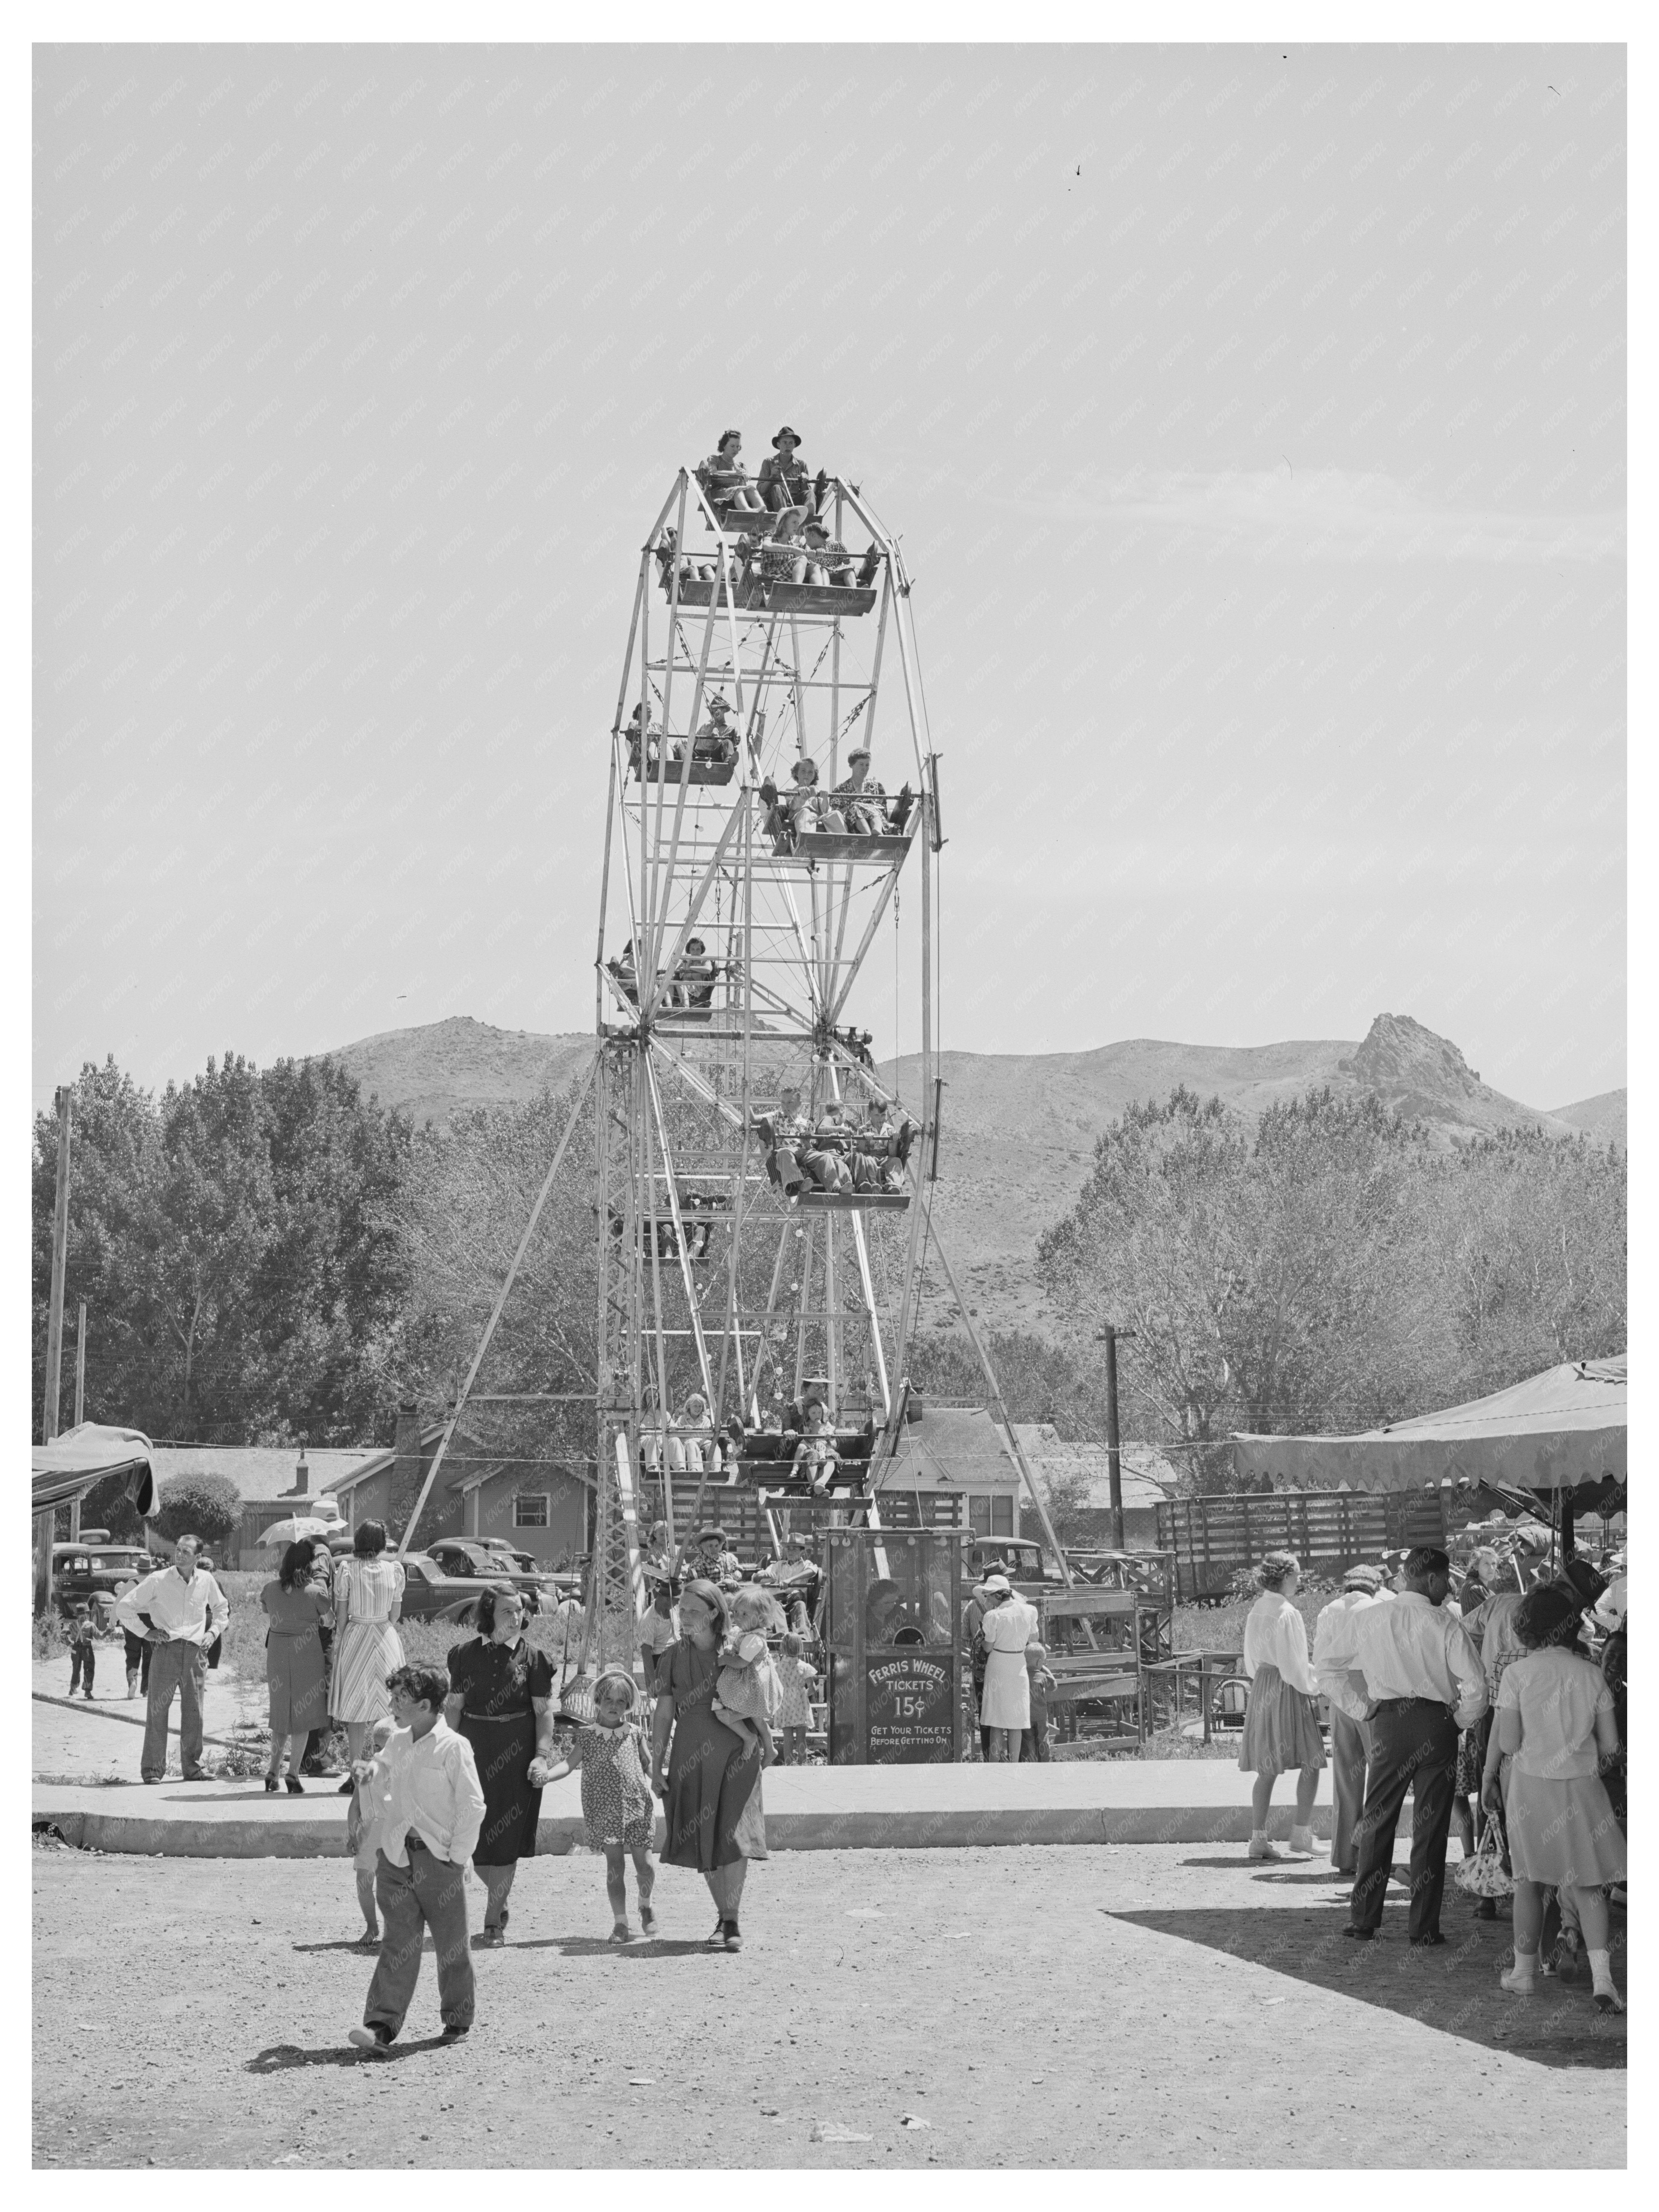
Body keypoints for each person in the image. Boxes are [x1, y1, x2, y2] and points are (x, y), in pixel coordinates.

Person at [1314, 1544, 1487, 1946]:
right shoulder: (1444, 1623)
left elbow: (1326, 1667)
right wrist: (1458, 1721)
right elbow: (1477, 1686)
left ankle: (1364, 1919)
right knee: (1431, 1827)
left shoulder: (1371, 1617)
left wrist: (1362, 1707)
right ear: (1430, 1578)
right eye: (1447, 1578)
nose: (1450, 1585)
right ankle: (1424, 1928)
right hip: (1435, 1722)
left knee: (1378, 1819)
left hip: (1388, 1722)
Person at [1482, 1583, 1626, 2012]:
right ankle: (1604, 1981)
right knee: (1589, 1886)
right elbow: (1611, 1745)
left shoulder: (1517, 1674)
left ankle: (1524, 1974)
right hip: (1584, 1787)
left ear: (1527, 1627)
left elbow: (1508, 1742)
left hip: (1531, 1787)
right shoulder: (1591, 1672)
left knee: (1529, 1883)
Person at [347, 1665, 484, 2056]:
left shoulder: (454, 1747)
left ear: (425, 1704)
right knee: (398, 1943)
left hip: (439, 1861)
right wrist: (370, 1770)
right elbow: (384, 1765)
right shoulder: (400, 1739)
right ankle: (379, 2026)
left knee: (451, 1944)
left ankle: (457, 2019)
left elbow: (473, 1806)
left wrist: (456, 1857)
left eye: (399, 1698)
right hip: (396, 1858)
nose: (391, 1704)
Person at [651, 1578, 766, 1951]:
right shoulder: (672, 1656)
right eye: (682, 1610)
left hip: (738, 1751)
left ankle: (731, 1919)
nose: (684, 1617)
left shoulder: (738, 1648)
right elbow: (664, 1712)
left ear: (715, 1612)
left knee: (733, 1834)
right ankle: (725, 1917)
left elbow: (762, 1690)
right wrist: (656, 1765)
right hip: (690, 1753)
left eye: (693, 1612)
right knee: (705, 1836)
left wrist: (763, 1739)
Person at [445, 1583, 556, 1945]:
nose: (517, 1617)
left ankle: (493, 1919)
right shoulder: (463, 1655)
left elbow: (543, 1713)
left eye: (521, 1610)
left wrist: (541, 1754)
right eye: (508, 1611)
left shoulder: (534, 1658)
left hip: (516, 1756)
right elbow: (454, 1708)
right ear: (488, 1614)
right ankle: (500, 1896)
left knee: (506, 1840)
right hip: (472, 1752)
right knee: (472, 1837)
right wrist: (444, 1753)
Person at [542, 1666, 658, 1941]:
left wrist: (665, 1780)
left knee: (646, 1865)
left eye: (621, 1701)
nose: (614, 1706)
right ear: (598, 1701)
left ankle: (646, 1905)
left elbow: (650, 1765)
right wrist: (546, 1775)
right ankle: (620, 1922)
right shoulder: (587, 1736)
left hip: (637, 1808)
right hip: (603, 1811)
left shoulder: (634, 1733)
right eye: (609, 1700)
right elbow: (568, 1765)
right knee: (614, 1867)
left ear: (628, 1705)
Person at [115, 1534, 230, 1784]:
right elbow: (124, 1607)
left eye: (186, 1552)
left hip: (196, 1654)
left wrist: (213, 1632)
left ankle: (192, 1767)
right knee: (158, 1712)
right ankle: (152, 1770)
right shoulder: (159, 1579)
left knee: (194, 1713)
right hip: (165, 1650)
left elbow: (222, 1609)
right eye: (178, 1550)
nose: (179, 1554)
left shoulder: (207, 1580)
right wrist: (147, 1633)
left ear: (198, 1557)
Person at [1237, 1551, 1325, 1861]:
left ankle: (1258, 1838)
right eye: (1297, 1575)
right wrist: (1314, 1686)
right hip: (1286, 1688)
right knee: (1312, 1760)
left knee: (1267, 1767)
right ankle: (1301, 1832)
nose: (1299, 1581)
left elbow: (1250, 1660)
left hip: (1262, 1684)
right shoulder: (1287, 1612)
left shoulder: (1258, 1609)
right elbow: (1294, 1664)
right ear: (1285, 1576)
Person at [1311, 1563, 1392, 1878]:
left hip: (1338, 1689)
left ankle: (1345, 1856)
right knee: (1381, 1774)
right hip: (1372, 1687)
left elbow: (1321, 1656)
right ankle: (1370, 1849)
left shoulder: (1328, 1610)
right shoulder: (1380, 1607)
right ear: (1374, 1585)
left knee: (1346, 1774)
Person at [330, 1520, 407, 1788]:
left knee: (355, 1710)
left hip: (357, 1633)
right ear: (383, 1542)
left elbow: (341, 1617)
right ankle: (385, 1771)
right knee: (389, 1705)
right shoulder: (394, 1569)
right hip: (385, 1635)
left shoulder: (347, 1570)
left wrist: (346, 1635)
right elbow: (395, 1615)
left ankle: (355, 1773)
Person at [261, 1540, 332, 1795]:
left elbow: (266, 1608)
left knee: (280, 1715)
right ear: (308, 1564)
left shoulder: (270, 1588)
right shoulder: (315, 1592)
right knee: (303, 1718)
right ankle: (293, 1773)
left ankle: (272, 1770)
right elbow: (329, 1620)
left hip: (278, 1655)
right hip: (307, 1653)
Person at [711, 1585, 781, 1764]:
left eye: (745, 1614)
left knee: (721, 1712)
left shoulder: (754, 1639)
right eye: (736, 1612)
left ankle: (748, 1737)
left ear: (761, 1618)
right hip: (751, 1684)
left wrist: (725, 1660)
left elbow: (742, 1662)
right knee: (757, 1718)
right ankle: (770, 1748)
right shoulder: (748, 1634)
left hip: (751, 1685)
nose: (737, 1618)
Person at [978, 1573, 1039, 1763]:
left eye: (989, 1596)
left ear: (997, 1596)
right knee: (1016, 1721)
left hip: (998, 1665)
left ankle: (995, 1763)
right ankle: (1014, 1764)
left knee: (996, 1719)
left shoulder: (994, 1616)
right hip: (1018, 1665)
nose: (988, 1601)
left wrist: (982, 1641)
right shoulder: (1028, 1611)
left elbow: (988, 1647)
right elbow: (1035, 1639)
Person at [345, 1716, 395, 1946]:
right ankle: (371, 1927)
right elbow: (355, 1806)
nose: (379, 1752)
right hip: (367, 1832)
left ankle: (395, 1931)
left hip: (392, 1833)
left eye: (386, 1747)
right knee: (363, 1883)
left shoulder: (400, 1770)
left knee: (393, 1887)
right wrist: (352, 1833)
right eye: (376, 1746)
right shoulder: (366, 1769)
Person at [113, 1557, 154, 1700]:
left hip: (133, 1621)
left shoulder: (130, 1584)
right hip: (151, 1623)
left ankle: (133, 1681)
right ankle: (147, 1689)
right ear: (150, 1570)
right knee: (150, 1656)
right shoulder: (155, 1584)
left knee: (132, 1655)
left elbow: (118, 1605)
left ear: (137, 1569)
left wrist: (112, 1623)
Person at [698, 428, 766, 512]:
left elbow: (744, 486)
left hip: (737, 493)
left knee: (751, 489)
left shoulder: (740, 466)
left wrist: (746, 477)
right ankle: (748, 511)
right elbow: (713, 472)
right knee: (738, 490)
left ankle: (763, 511)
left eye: (738, 447)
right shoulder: (715, 459)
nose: (736, 449)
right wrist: (736, 474)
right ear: (724, 446)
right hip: (720, 492)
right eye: (732, 446)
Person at [775, 1633, 817, 1764]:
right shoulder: (804, 1667)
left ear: (783, 1648)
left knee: (787, 1739)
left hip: (784, 1705)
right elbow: (813, 1688)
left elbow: (774, 1687)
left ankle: (788, 1765)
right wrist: (802, 1695)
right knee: (801, 1739)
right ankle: (803, 1764)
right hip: (801, 1706)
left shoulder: (777, 1667)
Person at [757, 425, 810, 513]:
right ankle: (784, 515)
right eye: (785, 443)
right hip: (773, 504)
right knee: (777, 488)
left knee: (810, 494)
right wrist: (771, 478)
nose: (788, 446)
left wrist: (804, 481)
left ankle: (809, 516)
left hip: (795, 503)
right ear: (779, 445)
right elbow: (760, 491)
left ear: (795, 445)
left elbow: (805, 492)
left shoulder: (801, 464)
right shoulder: (768, 462)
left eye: (791, 443)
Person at [1023, 1640, 1057, 1763]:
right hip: (1041, 1718)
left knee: (1028, 1744)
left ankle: (1030, 1764)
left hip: (1026, 1718)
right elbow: (1054, 1685)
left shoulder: (1021, 1676)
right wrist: (1045, 1668)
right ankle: (1045, 1765)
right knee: (1043, 1742)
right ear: (1039, 1662)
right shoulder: (1041, 1677)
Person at [674, 937, 719, 1008]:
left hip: (696, 988)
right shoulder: (686, 961)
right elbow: (676, 971)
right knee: (667, 982)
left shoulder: (705, 961)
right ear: (689, 951)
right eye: (693, 949)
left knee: (680, 984)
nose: (695, 952)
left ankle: (685, 1006)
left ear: (701, 950)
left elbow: (708, 970)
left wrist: (690, 968)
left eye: (698, 949)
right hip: (684, 986)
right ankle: (666, 1005)